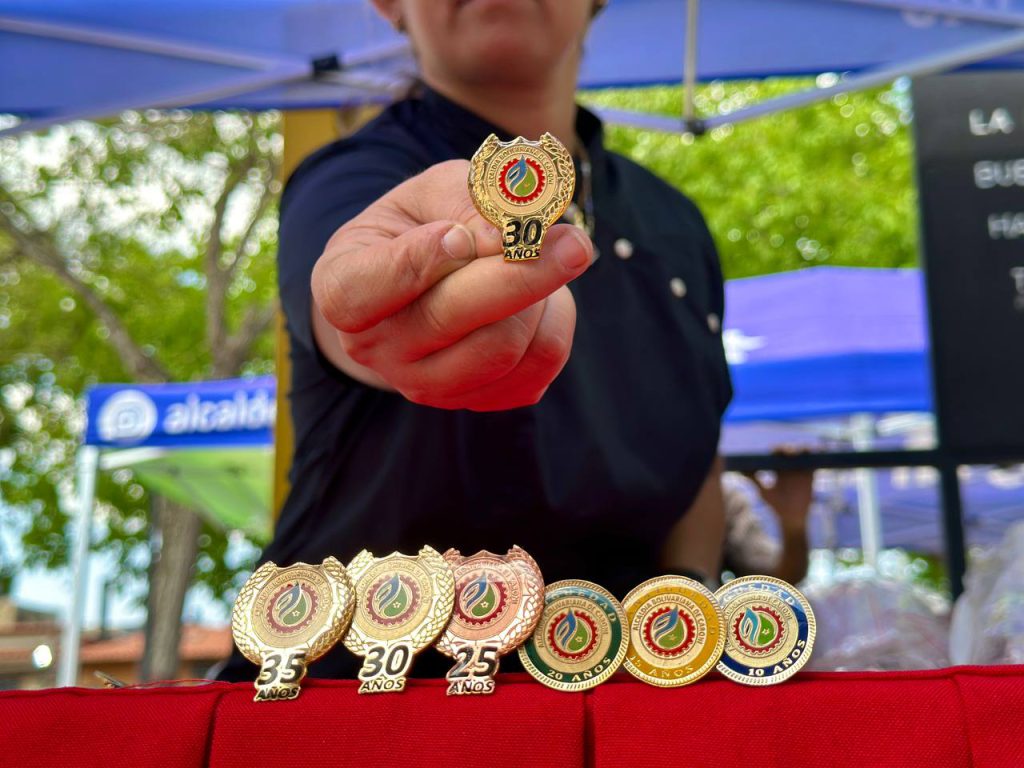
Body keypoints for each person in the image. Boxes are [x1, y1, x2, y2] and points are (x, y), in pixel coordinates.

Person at [222, 0, 732, 680]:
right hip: (362, 702)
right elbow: (348, 301)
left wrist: (688, 594)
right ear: (388, 6)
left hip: (619, 702)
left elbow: (698, 459)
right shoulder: (347, 182)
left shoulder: (676, 222)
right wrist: (388, 307)